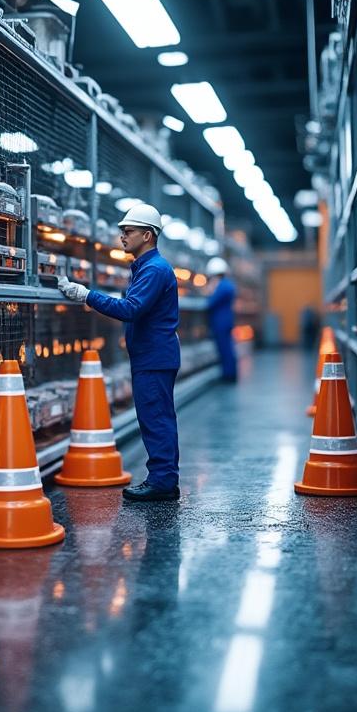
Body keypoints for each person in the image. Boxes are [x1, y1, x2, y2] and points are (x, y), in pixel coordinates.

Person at [57, 204, 181, 502]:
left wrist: (85, 294)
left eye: (128, 232)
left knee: (156, 418)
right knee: (157, 416)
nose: (122, 236)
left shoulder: (153, 269)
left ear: (148, 235)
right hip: (152, 356)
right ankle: (164, 479)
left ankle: (163, 482)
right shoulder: (146, 267)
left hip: (154, 358)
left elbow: (130, 309)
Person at [205, 257, 237, 383]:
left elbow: (210, 303)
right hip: (225, 321)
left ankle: (228, 375)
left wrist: (210, 290)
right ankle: (229, 373)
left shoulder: (222, 286)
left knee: (225, 349)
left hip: (220, 322)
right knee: (227, 348)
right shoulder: (227, 285)